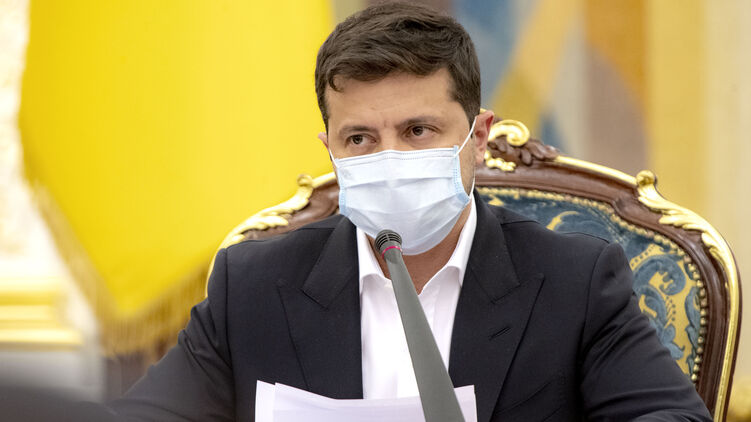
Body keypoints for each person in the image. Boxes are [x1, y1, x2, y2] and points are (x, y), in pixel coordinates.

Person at [110, 3, 712, 421]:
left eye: (418, 130)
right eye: (360, 139)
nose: (389, 158)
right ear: (329, 149)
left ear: (478, 137)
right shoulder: (253, 286)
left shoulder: (574, 281)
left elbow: (670, 417)